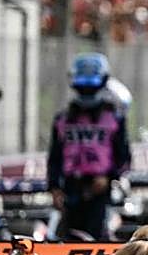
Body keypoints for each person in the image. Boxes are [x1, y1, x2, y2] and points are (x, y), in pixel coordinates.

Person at [47, 53, 132, 239]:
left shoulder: (114, 119)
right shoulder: (62, 120)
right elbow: (54, 157)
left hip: (100, 192)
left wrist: (109, 177)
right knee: (66, 239)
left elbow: (124, 157)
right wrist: (54, 187)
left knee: (99, 238)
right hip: (70, 189)